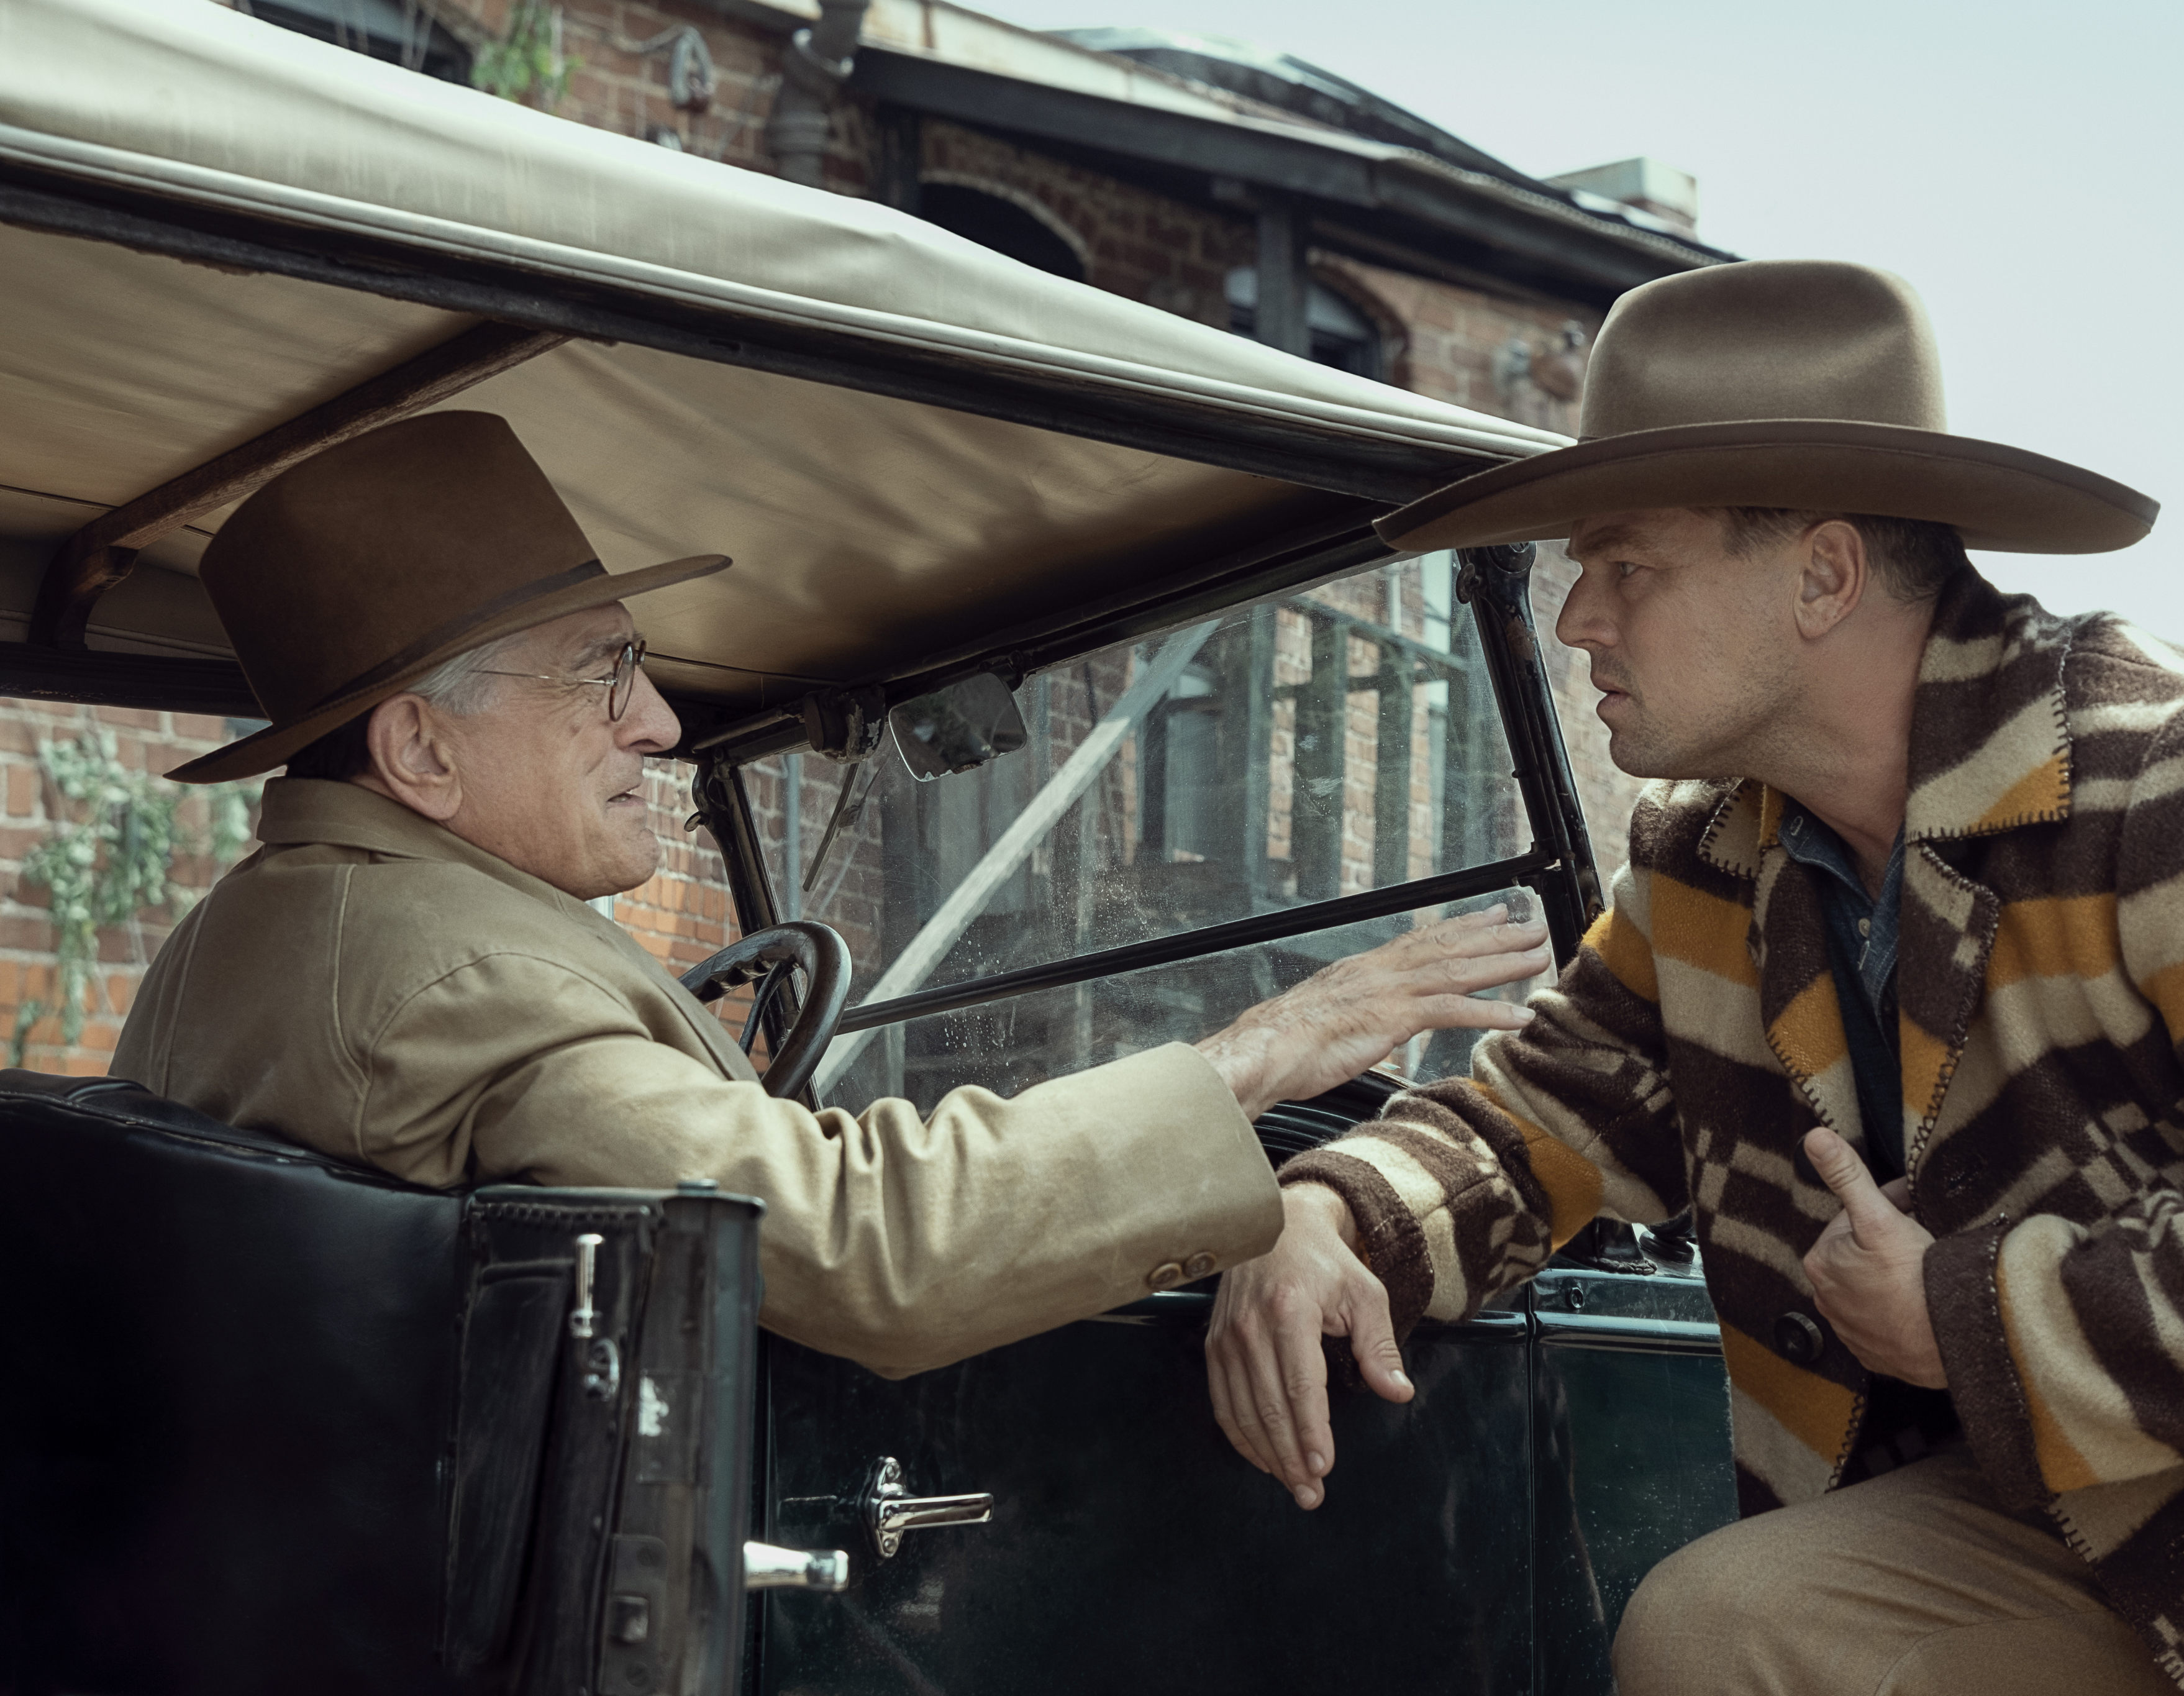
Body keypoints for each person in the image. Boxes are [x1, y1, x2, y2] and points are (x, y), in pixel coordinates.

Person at [1204, 260, 2184, 1695]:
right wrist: (1322, 1212)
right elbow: (1535, 1127)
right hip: (2069, 1516)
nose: (1577, 616)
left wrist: (1966, 1314)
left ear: (1822, 576)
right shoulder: (1712, 866)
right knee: (1724, 1629)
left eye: (1625, 566)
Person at [111, 410, 1550, 1377]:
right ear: (420, 748)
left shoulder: (264, 934)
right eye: (604, 672)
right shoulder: (466, 982)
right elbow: (871, 1252)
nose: (662, 726)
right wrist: (1260, 1055)